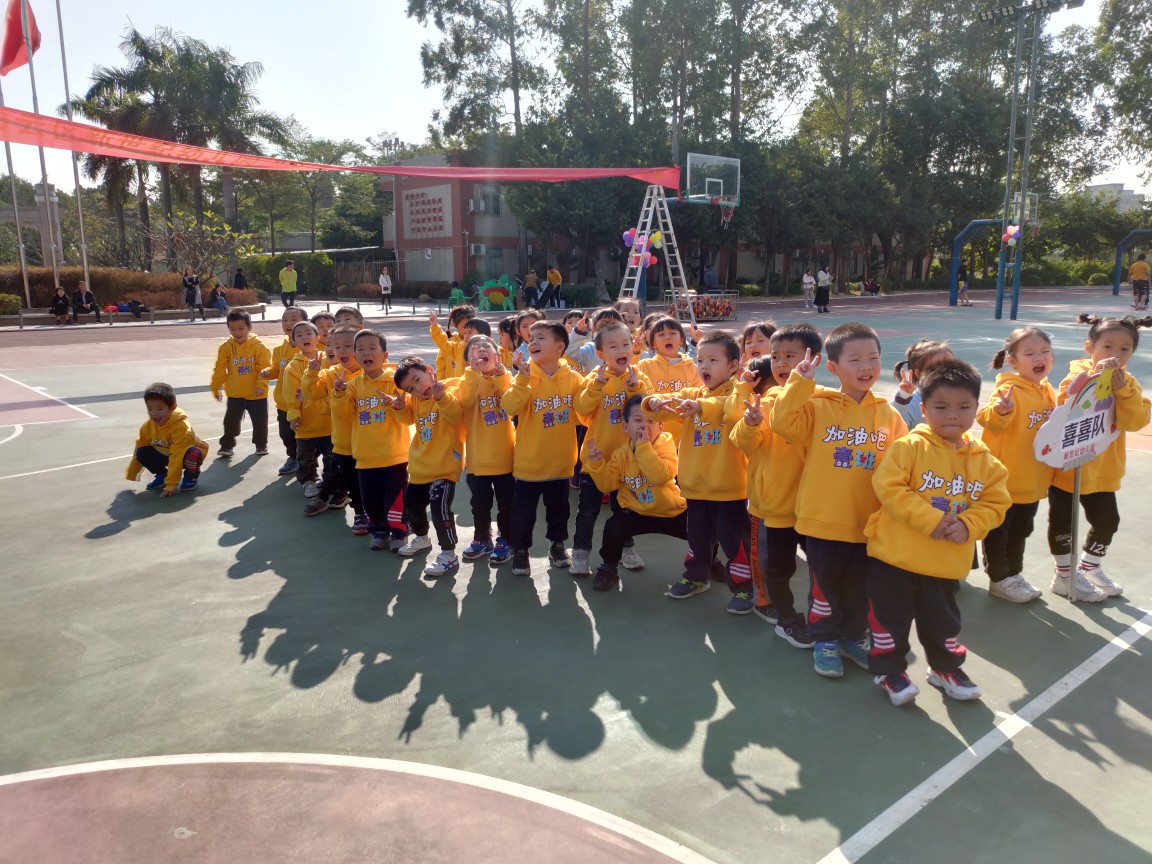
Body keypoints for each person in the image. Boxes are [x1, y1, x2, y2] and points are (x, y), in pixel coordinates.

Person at [865, 359, 1011, 706]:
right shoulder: (909, 447)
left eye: (963, 407)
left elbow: (995, 503)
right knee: (889, 621)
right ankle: (888, 670)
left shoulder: (986, 462)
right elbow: (889, 487)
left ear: (977, 408)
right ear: (924, 408)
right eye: (941, 407)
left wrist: (968, 524)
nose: (952, 415)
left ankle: (945, 668)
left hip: (944, 564)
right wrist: (931, 519)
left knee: (943, 623)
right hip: (894, 559)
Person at [770, 322, 908, 679]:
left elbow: (903, 465)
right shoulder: (818, 406)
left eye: (873, 358)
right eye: (855, 359)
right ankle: (825, 640)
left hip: (868, 524)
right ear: (832, 367)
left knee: (859, 589)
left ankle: (852, 637)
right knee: (825, 588)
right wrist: (799, 381)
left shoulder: (889, 415)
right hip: (823, 521)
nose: (866, 366)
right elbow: (783, 423)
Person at [644, 331, 754, 614]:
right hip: (695, 487)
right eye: (700, 359)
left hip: (728, 488)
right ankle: (696, 576)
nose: (704, 365)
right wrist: (652, 403)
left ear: (733, 366)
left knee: (735, 542)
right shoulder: (693, 394)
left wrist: (701, 407)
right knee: (698, 538)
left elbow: (731, 410)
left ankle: (745, 587)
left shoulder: (739, 395)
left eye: (713, 360)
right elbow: (666, 405)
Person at [731, 324, 825, 648]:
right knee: (775, 565)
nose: (781, 363)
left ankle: (826, 618)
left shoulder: (824, 402)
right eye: (775, 356)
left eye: (790, 356)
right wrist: (750, 424)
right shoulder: (766, 400)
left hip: (812, 507)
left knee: (821, 567)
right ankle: (780, 613)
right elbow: (741, 441)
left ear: (814, 359)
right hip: (771, 506)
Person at [1047, 314, 1152, 601]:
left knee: (1107, 522)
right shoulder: (1076, 376)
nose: (1115, 354)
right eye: (1108, 346)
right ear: (1089, 347)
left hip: (1103, 469)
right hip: (1069, 467)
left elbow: (1134, 421)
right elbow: (1064, 408)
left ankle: (1089, 565)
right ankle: (1064, 576)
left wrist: (1122, 391)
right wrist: (1092, 382)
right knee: (1063, 524)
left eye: (1124, 349)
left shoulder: (1128, 383)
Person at [976, 328, 1056, 603]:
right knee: (998, 532)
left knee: (1022, 530)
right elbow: (988, 419)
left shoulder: (1047, 390)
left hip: (1032, 480)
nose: (1039, 358)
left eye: (1045, 351)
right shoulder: (1007, 390)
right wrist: (1001, 410)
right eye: (1030, 353)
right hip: (1005, 482)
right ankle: (999, 579)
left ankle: (1014, 573)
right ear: (1013, 361)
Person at [502, 320, 584, 576]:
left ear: (560, 347)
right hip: (529, 463)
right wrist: (522, 380)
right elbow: (509, 407)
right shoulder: (524, 377)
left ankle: (557, 545)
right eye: (531, 338)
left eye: (541, 338)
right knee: (523, 514)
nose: (533, 342)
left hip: (561, 462)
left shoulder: (574, 379)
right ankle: (520, 551)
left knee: (559, 511)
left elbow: (584, 413)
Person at [570, 322, 652, 576]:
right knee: (587, 512)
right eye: (613, 346)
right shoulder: (593, 379)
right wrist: (596, 386)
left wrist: (636, 388)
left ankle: (626, 549)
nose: (621, 350)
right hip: (596, 460)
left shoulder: (638, 378)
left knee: (624, 510)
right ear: (600, 354)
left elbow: (648, 411)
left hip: (627, 461)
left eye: (626, 344)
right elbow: (582, 410)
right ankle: (580, 553)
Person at [585, 395, 688, 591]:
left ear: (661, 427)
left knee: (701, 528)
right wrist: (597, 464)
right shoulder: (620, 454)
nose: (644, 425)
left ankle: (708, 562)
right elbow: (608, 486)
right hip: (636, 512)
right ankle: (608, 567)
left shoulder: (667, 446)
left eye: (651, 421)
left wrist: (643, 447)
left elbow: (660, 475)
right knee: (614, 527)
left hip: (670, 511)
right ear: (626, 427)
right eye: (638, 420)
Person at [333, 329, 411, 552]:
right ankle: (379, 530)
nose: (366, 353)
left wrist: (398, 406)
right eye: (360, 349)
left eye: (371, 348)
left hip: (394, 456)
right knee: (371, 499)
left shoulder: (396, 382)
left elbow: (408, 414)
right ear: (356, 356)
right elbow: (342, 413)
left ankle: (399, 532)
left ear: (385, 355)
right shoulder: (353, 385)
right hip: (365, 456)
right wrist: (338, 394)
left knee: (396, 499)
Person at [394, 357, 466, 577]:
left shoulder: (448, 391)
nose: (417, 389)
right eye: (410, 388)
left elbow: (456, 415)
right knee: (412, 505)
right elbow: (408, 419)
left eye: (417, 380)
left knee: (439, 510)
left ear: (428, 370)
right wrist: (399, 407)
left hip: (444, 468)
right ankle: (422, 538)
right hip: (420, 468)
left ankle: (448, 554)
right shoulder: (416, 401)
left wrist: (440, 397)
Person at [455, 335, 516, 566]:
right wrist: (473, 373)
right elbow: (464, 401)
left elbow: (511, 403)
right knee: (479, 505)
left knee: (507, 505)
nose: (480, 350)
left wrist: (499, 375)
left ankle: (506, 539)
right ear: (468, 360)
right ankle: (482, 538)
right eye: (475, 349)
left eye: (486, 347)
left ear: (497, 355)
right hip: (478, 459)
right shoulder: (467, 381)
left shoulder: (507, 379)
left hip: (506, 458)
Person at [302, 324, 366, 530]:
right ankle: (359, 513)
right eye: (336, 347)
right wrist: (311, 374)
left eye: (348, 346)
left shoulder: (370, 374)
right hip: (343, 442)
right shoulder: (330, 374)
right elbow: (312, 394)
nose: (341, 351)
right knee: (346, 479)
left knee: (368, 482)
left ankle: (381, 515)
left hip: (370, 443)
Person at [125, 382, 209, 496]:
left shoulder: (182, 428)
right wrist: (132, 473)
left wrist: (171, 484)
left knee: (193, 453)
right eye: (150, 409)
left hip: (184, 455)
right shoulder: (147, 427)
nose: (154, 414)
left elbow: (177, 457)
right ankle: (162, 475)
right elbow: (139, 446)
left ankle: (191, 476)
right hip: (166, 454)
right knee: (142, 451)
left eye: (159, 409)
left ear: (172, 407)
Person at [283, 321, 333, 505]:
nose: (305, 337)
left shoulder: (328, 359)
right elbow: (291, 393)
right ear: (294, 341)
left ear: (317, 337)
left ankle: (329, 480)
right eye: (299, 335)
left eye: (308, 333)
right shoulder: (293, 367)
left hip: (328, 422)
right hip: (306, 424)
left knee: (331, 455)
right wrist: (294, 414)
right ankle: (309, 481)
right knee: (305, 457)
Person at [210, 309, 272, 458]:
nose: (237, 332)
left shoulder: (259, 347)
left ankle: (261, 445)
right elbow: (220, 368)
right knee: (230, 422)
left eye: (241, 328)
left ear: (249, 327)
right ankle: (227, 446)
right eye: (232, 329)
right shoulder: (226, 347)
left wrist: (261, 385)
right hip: (235, 393)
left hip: (256, 394)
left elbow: (264, 368)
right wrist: (215, 387)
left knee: (260, 422)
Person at [636, 317, 702, 447]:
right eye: (661, 335)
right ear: (653, 343)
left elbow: (700, 397)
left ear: (681, 339)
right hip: (655, 437)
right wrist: (634, 353)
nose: (667, 337)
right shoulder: (645, 366)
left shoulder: (693, 368)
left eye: (672, 333)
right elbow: (629, 377)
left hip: (685, 437)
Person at [260, 307, 309, 476]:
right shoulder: (279, 350)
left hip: (304, 403)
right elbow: (276, 370)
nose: (288, 323)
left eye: (293, 319)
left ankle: (307, 462)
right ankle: (293, 458)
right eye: (285, 320)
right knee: (286, 434)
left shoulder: (310, 351)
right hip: (284, 403)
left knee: (306, 436)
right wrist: (268, 372)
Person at [892, 339, 955, 430]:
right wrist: (902, 397)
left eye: (950, 365)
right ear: (919, 373)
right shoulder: (914, 402)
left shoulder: (956, 395)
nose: (946, 370)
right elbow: (893, 424)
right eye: (938, 367)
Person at [429, 306, 475, 379]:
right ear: (454, 324)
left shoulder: (479, 343)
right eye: (465, 327)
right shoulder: (450, 343)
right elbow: (441, 365)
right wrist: (434, 327)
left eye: (472, 327)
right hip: (452, 385)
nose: (468, 330)